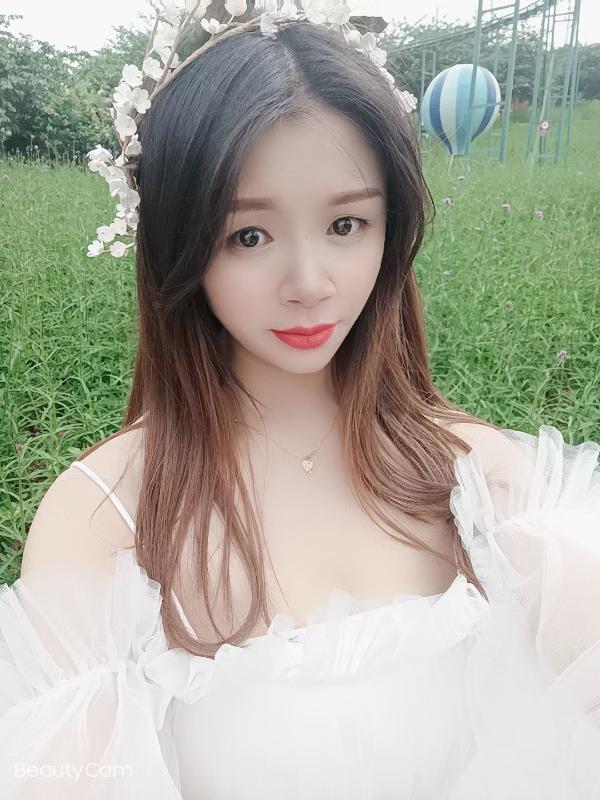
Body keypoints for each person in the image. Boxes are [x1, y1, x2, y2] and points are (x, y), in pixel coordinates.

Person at [1, 7, 600, 799]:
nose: (310, 283)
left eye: (346, 224)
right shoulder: (107, 519)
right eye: (248, 236)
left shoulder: (483, 480)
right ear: (178, 244)